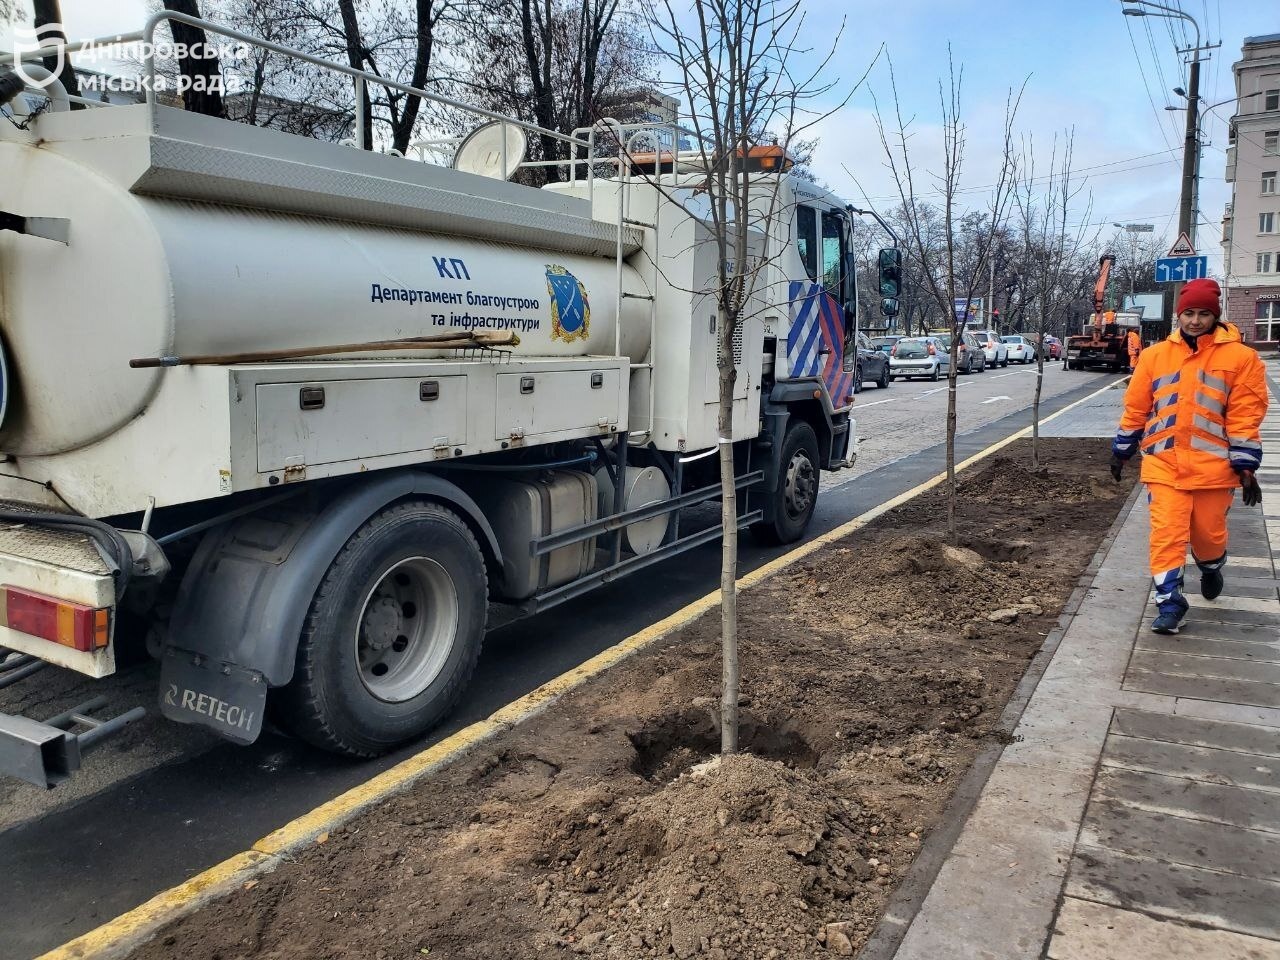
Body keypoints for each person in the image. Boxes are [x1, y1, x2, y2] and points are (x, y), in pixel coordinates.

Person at [1110, 278, 1268, 634]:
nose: (1195, 321)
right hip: (1164, 466)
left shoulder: (1242, 358)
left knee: (1207, 536)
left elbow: (1246, 413)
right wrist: (1121, 450)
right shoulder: (1154, 357)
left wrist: (1245, 467)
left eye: (1203, 314)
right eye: (1189, 313)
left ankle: (1211, 567)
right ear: (1179, 315)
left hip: (1214, 469)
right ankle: (1170, 603)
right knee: (1166, 535)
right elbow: (1136, 408)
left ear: (1216, 315)